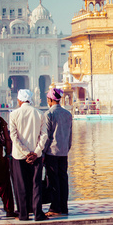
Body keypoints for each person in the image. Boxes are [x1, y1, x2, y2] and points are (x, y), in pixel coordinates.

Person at [9, 89, 48, 221]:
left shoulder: (14, 114)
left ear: (19, 100)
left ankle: (23, 214)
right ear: (30, 99)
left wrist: (25, 152)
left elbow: (13, 137)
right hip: (36, 156)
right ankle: (38, 213)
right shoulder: (39, 113)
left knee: (21, 185)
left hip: (19, 156)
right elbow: (44, 135)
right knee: (36, 184)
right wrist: (36, 152)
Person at [43, 88, 73, 217]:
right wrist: (67, 148)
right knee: (63, 179)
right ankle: (64, 207)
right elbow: (70, 135)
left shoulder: (49, 114)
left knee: (53, 180)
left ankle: (55, 207)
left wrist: (43, 152)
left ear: (50, 100)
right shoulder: (67, 114)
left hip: (52, 152)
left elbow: (47, 136)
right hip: (64, 152)